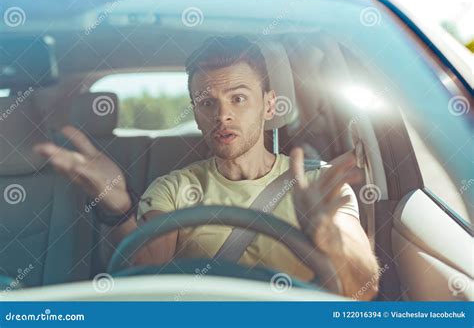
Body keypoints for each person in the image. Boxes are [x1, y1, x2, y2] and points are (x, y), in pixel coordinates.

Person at [34, 36, 379, 300]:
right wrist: (119, 205)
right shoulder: (172, 189)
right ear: (196, 115)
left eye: (239, 98)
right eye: (207, 103)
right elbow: (146, 283)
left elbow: (364, 292)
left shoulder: (318, 185)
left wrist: (330, 240)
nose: (222, 115)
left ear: (269, 105)